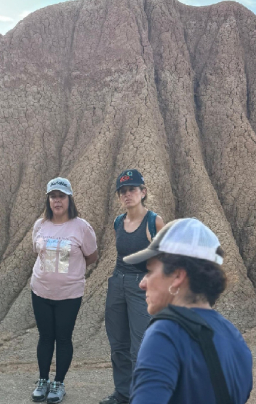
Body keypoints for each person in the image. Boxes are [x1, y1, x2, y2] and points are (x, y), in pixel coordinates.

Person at [124, 218, 253, 404]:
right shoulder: (235, 337)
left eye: (150, 271)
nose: (142, 283)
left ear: (177, 275)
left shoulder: (166, 332)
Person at [30, 177, 99, 403]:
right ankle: (43, 380)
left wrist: (70, 272)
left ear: (69, 199)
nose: (57, 200)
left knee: (63, 337)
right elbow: (37, 251)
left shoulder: (82, 227)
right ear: (48, 200)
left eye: (61, 196)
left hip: (69, 295)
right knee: (45, 337)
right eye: (53, 196)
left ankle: (59, 383)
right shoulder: (40, 226)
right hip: (40, 291)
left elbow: (92, 256)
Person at [101, 169, 164, 404]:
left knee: (141, 348)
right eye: (123, 191)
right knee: (118, 345)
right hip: (118, 283)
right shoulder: (119, 221)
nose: (127, 194)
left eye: (132, 189)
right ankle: (123, 393)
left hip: (142, 286)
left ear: (143, 192)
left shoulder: (153, 221)